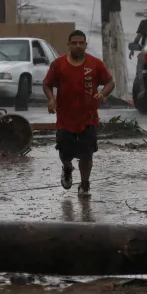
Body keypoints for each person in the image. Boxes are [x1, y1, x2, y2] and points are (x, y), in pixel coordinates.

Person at [43, 30, 115, 198]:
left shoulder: (95, 64)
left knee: (86, 154)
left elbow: (110, 82)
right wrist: (51, 99)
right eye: (74, 43)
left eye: (81, 43)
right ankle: (67, 168)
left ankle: (84, 184)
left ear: (85, 45)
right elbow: (47, 84)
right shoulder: (58, 65)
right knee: (65, 153)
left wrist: (103, 94)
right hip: (65, 118)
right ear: (69, 45)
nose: (77, 46)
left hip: (88, 117)